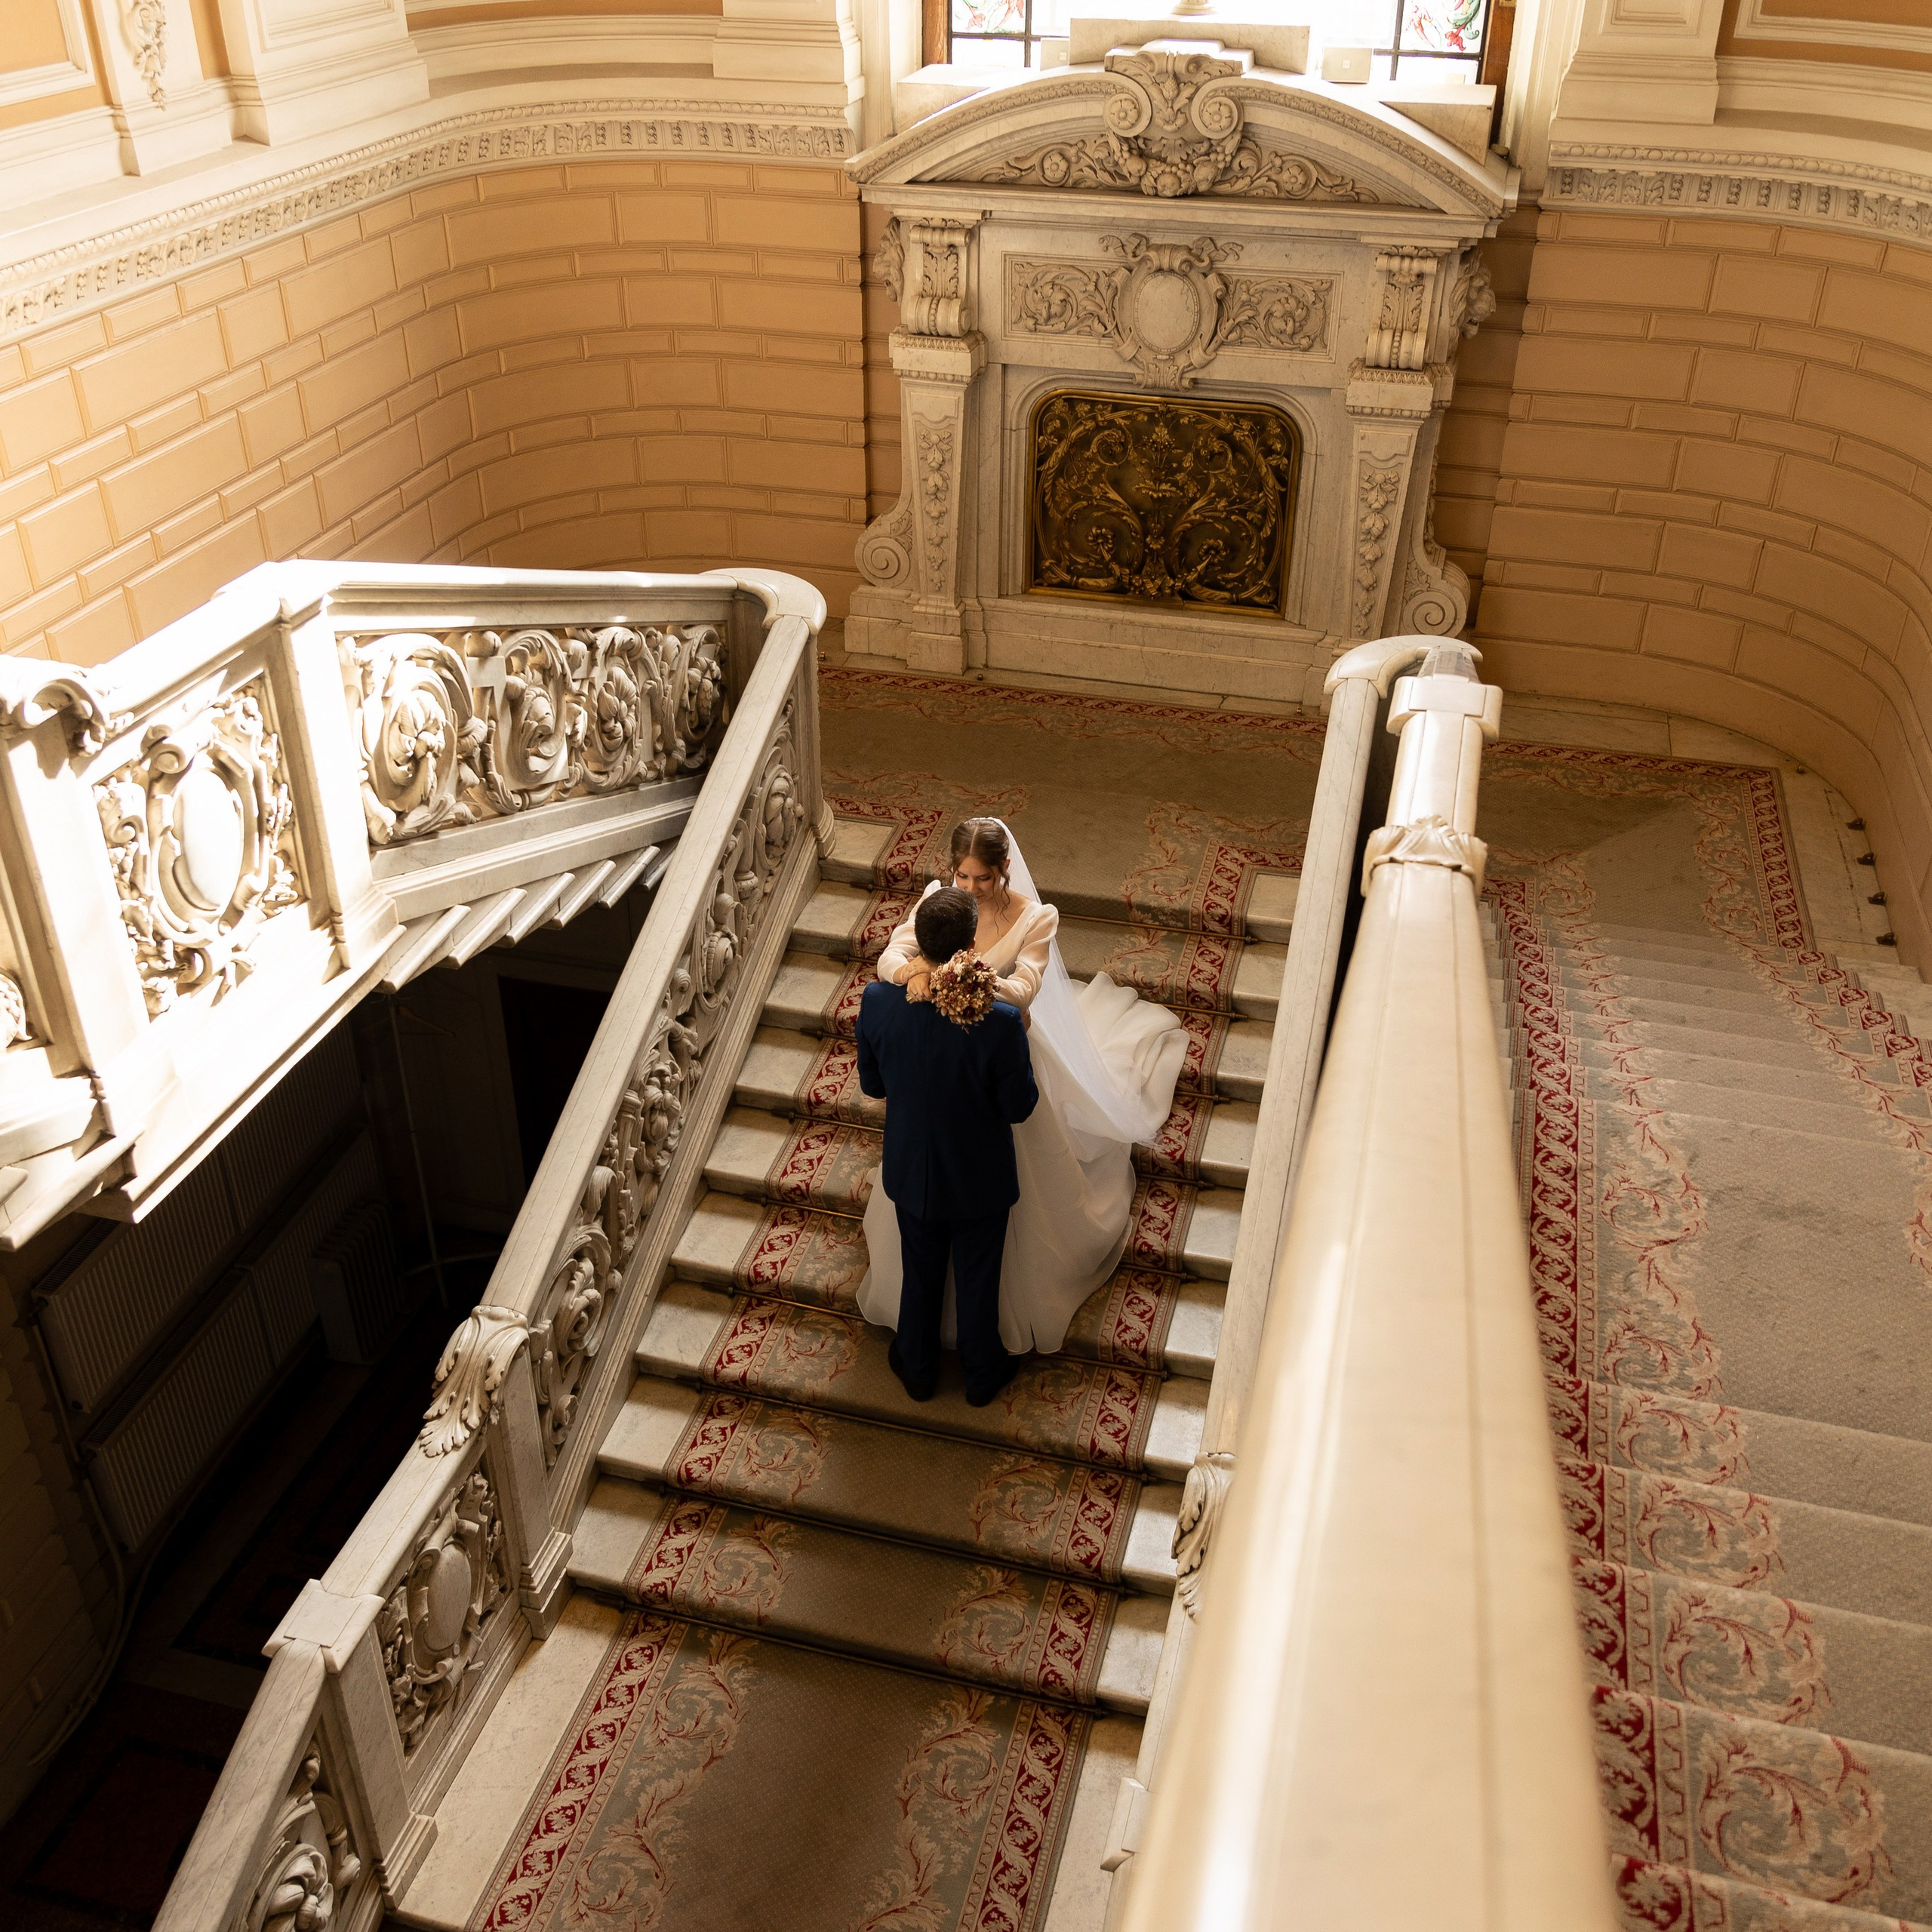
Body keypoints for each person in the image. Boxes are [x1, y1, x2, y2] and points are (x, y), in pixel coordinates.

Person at [858, 817, 1186, 1355]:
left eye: (982, 879)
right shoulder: (941, 904)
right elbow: (892, 957)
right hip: (959, 1052)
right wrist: (918, 977)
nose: (970, 889)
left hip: (997, 1046)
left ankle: (969, 1343)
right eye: (962, 877)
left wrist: (970, 983)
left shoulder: (1036, 917)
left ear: (1003, 870)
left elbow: (1027, 986)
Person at [855, 886, 1039, 1405]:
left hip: (914, 1166)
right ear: (968, 945)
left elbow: (872, 1085)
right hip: (980, 1173)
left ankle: (917, 1368)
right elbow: (1019, 1106)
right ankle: (982, 1375)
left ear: (919, 943)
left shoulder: (876, 1001)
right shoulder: (1000, 1021)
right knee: (979, 1276)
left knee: (922, 1269)